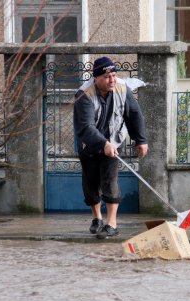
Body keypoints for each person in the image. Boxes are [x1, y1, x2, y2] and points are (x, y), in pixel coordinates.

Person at [73, 56, 148, 239]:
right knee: (91, 183)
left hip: (114, 140)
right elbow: (85, 127)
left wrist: (141, 140)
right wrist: (102, 143)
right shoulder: (84, 95)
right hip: (89, 144)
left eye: (114, 75)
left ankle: (111, 223)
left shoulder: (122, 89)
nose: (112, 80)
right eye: (107, 77)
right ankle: (97, 218)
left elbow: (134, 114)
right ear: (96, 78)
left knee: (110, 180)